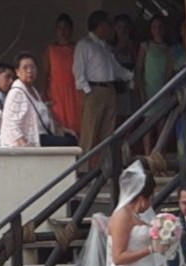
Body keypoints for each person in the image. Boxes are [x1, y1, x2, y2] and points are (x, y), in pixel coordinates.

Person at [73, 10, 134, 171]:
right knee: (90, 132)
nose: (109, 29)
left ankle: (106, 169)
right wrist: (87, 91)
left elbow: (115, 68)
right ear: (99, 26)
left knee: (108, 133)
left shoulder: (104, 46)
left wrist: (130, 76)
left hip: (109, 89)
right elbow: (78, 71)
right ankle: (83, 170)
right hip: (94, 90)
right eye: (107, 25)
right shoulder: (84, 44)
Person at [0, 52, 75, 148]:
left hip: (43, 135)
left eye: (32, 67)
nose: (29, 71)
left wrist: (63, 129)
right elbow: (11, 124)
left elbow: (45, 117)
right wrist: (23, 143)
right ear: (17, 72)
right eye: (25, 68)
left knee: (71, 137)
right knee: (69, 142)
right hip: (32, 138)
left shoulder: (33, 90)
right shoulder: (17, 93)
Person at [135, 15, 173, 153]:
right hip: (148, 88)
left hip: (162, 89)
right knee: (147, 124)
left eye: (160, 27)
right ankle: (147, 156)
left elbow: (169, 72)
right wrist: (141, 91)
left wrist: (167, 89)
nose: (157, 30)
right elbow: (139, 69)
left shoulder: (168, 49)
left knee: (161, 125)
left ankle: (159, 156)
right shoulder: (145, 46)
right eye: (154, 27)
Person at [44, 13, 82, 135]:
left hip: (75, 91)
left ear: (71, 29)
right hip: (57, 93)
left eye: (65, 28)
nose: (63, 31)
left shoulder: (78, 48)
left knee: (77, 123)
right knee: (60, 124)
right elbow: (46, 73)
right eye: (60, 28)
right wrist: (45, 93)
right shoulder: (51, 49)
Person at [112, 14, 138, 125]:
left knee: (129, 115)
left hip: (129, 84)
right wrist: (119, 47)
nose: (123, 30)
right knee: (117, 114)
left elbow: (138, 63)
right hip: (116, 85)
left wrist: (131, 47)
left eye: (126, 27)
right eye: (120, 27)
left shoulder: (133, 45)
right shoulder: (110, 45)